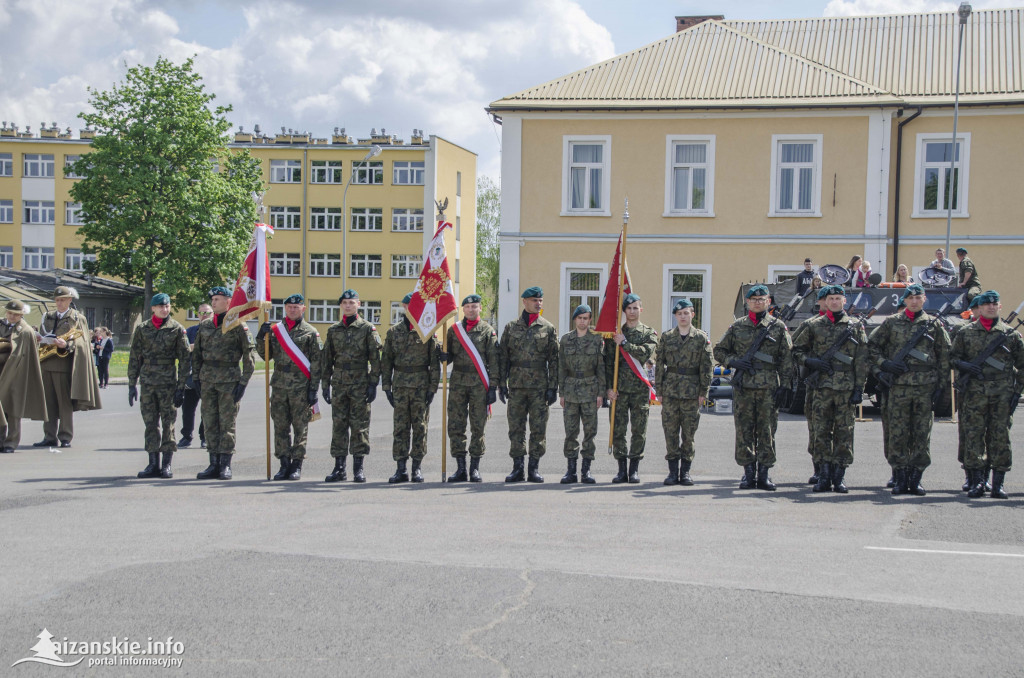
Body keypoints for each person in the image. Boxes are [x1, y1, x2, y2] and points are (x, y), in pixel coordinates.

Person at [867, 284, 950, 495]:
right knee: (897, 432)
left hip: (925, 387)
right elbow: (870, 347)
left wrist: (941, 388)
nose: (914, 301)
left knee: (922, 433)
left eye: (918, 297)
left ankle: (916, 478)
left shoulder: (934, 325)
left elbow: (944, 357)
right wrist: (884, 364)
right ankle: (900, 476)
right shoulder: (891, 323)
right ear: (904, 301)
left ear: (924, 300)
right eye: (910, 298)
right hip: (897, 387)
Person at [714, 285, 794, 491]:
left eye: (762, 299)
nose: (758, 302)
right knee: (744, 431)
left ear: (768, 302)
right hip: (744, 387)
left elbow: (786, 359)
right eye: (754, 299)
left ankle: (764, 474)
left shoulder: (777, 327)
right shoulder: (737, 326)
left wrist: (785, 386)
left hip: (768, 387)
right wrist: (734, 361)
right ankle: (748, 474)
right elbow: (719, 351)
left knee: (767, 431)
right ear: (747, 302)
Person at [791, 285, 869, 493]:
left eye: (838, 298)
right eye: (831, 298)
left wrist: (858, 388)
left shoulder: (854, 326)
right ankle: (824, 475)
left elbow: (861, 360)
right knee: (821, 432)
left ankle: (839, 476)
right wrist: (811, 362)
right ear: (825, 301)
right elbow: (796, 351)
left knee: (845, 433)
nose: (834, 301)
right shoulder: (813, 326)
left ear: (844, 301)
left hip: (845, 388)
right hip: (821, 388)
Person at [950, 290, 1024, 499]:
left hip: (1002, 395)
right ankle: (977, 482)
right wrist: (964, 365)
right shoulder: (966, 333)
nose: (991, 307)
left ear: (999, 307)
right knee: (974, 437)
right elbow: (952, 357)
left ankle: (998, 483)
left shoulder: (1010, 335)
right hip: (974, 394)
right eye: (987, 304)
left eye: (995, 304)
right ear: (979, 308)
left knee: (1000, 438)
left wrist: (1016, 393)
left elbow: (1023, 365)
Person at [191, 286, 255, 480]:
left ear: (229, 301)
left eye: (217, 299)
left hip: (229, 379)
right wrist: (195, 378)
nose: (213, 303)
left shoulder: (238, 325)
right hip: (208, 379)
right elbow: (197, 354)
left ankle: (225, 465)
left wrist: (243, 383)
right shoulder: (205, 325)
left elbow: (249, 357)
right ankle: (213, 463)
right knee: (210, 423)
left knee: (227, 423)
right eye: (212, 299)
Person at [256, 294, 321, 481]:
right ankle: (283, 463)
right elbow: (266, 357)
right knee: (280, 425)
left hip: (301, 386)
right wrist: (261, 337)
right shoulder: (276, 330)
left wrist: (313, 390)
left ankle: (296, 464)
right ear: (285, 308)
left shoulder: (310, 332)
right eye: (289, 306)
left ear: (303, 309)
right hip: (279, 386)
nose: (293, 309)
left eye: (296, 306)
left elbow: (317, 364)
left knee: (301, 427)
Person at [498, 286, 559, 483]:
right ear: (524, 302)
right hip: (516, 385)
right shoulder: (511, 327)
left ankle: (533, 468)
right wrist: (501, 383)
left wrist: (553, 387)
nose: (538, 303)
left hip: (539, 387)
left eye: (540, 300)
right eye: (534, 300)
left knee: (538, 428)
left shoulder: (548, 328)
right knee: (515, 427)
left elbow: (554, 360)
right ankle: (517, 468)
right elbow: (503, 358)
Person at [127, 293, 190, 479]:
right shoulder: (142, 329)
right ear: (153, 308)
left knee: (168, 423)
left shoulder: (176, 329)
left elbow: (185, 360)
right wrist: (132, 384)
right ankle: (152, 463)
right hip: (147, 383)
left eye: (167, 306)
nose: (165, 309)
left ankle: (167, 464)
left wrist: (181, 387)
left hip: (168, 384)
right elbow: (134, 357)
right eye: (161, 306)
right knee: (150, 424)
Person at [322, 289, 381, 483]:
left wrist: (373, 383)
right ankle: (339, 468)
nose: (348, 305)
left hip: (359, 383)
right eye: (345, 302)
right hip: (339, 384)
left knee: (359, 426)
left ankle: (358, 468)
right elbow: (327, 360)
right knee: (339, 425)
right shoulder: (333, 330)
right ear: (341, 305)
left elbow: (375, 359)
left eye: (352, 302)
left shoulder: (367, 329)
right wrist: (325, 385)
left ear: (359, 304)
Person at [381, 292, 440, 484]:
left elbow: (434, 363)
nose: (412, 309)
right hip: (400, 386)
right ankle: (400, 469)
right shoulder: (393, 332)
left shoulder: (427, 331)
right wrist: (386, 386)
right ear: (405, 308)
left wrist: (432, 388)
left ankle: (416, 468)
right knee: (400, 428)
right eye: (409, 306)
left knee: (420, 428)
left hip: (420, 387)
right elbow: (386, 361)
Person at [34, 286, 101, 448]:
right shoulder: (47, 316)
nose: (59, 303)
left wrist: (67, 344)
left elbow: (83, 341)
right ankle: (49, 436)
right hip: (46, 364)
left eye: (63, 299)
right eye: (57, 300)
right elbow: (42, 333)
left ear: (70, 300)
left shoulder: (77, 318)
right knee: (48, 403)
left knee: (64, 404)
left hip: (63, 364)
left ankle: (65, 436)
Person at [656, 299, 713, 486]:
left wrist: (704, 390)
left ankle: (686, 472)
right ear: (675, 316)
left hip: (692, 391)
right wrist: (659, 389)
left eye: (686, 313)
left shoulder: (701, 338)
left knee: (689, 434)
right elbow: (659, 364)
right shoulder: (666, 337)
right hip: (671, 390)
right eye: (679, 313)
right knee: (670, 432)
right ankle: (673, 472)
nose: (683, 316)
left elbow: (707, 366)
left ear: (692, 315)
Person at [443, 294, 499, 482]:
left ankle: (475, 468)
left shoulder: (487, 331)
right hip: (458, 382)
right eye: (468, 307)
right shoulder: (453, 330)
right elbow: (449, 355)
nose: (471, 310)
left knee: (478, 426)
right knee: (456, 425)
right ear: (463, 309)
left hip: (478, 384)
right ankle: (460, 468)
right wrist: (442, 355)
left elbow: (493, 361)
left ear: (480, 309)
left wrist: (493, 387)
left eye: (475, 306)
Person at [604, 293, 658, 483]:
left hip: (638, 390)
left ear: (641, 310)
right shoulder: (615, 334)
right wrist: (608, 388)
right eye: (629, 308)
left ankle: (634, 469)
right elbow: (608, 364)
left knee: (638, 429)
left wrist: (625, 343)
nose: (632, 311)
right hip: (619, 390)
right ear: (624, 311)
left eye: (636, 308)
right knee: (618, 429)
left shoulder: (648, 333)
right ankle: (621, 470)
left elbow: (644, 354)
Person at [557, 304, 605, 484]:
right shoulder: (566, 339)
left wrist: (601, 393)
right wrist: (561, 392)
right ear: (575, 319)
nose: (583, 321)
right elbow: (561, 367)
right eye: (580, 318)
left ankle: (586, 471)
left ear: (590, 320)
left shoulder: (596, 340)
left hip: (590, 389)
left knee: (590, 432)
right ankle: (571, 471)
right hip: (570, 390)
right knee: (571, 432)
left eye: (586, 318)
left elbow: (601, 367)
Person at [0, 301, 47, 452]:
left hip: (16, 374)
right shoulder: (1, 325)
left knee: (14, 409)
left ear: (22, 315)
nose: (12, 316)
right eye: (10, 313)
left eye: (16, 314)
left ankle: (10, 443)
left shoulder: (26, 331)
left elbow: (28, 356)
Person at [179, 305, 212, 448]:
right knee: (187, 408)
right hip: (192, 376)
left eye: (207, 313)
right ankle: (186, 436)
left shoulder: (215, 330)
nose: (204, 315)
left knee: (207, 408)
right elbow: (183, 349)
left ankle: (204, 436)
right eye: (201, 313)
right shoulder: (191, 330)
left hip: (208, 376)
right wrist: (194, 347)